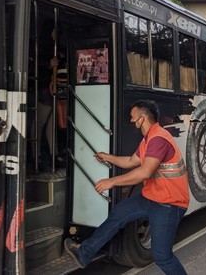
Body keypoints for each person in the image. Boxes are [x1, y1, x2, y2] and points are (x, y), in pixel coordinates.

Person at [64, 100, 189, 274]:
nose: (131, 121)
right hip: (151, 197)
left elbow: (144, 172)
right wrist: (107, 157)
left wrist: (112, 181)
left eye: (133, 117)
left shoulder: (159, 139)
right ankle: (84, 254)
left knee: (162, 256)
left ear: (142, 119)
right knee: (118, 213)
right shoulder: (148, 139)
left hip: (169, 204)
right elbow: (131, 161)